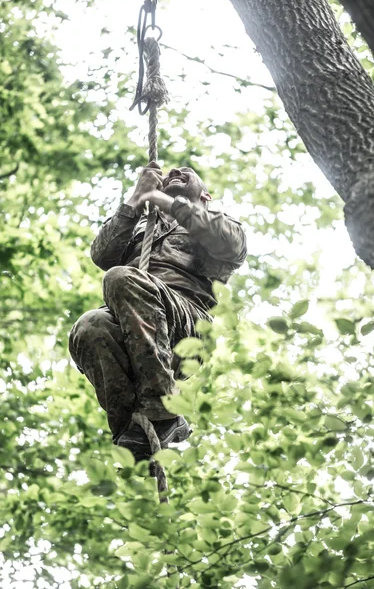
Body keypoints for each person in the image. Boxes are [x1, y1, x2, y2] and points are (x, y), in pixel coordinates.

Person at [69, 162, 247, 461]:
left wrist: (165, 201)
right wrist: (136, 200)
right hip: (138, 326)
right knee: (90, 326)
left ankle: (162, 408)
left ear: (205, 196)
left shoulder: (217, 223)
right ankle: (139, 438)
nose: (175, 171)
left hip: (186, 325)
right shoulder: (142, 227)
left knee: (121, 277)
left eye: (186, 170)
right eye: (171, 172)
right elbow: (102, 254)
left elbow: (229, 244)